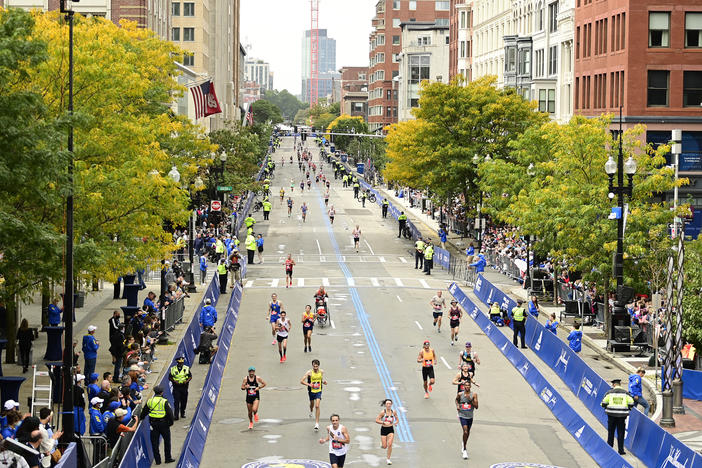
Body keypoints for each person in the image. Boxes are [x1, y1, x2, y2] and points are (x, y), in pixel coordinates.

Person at [140, 385, 175, 465]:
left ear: (155, 392)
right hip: (164, 424)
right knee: (167, 441)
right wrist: (171, 423)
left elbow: (144, 412)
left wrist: (141, 418)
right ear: (162, 392)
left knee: (154, 443)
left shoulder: (150, 401)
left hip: (153, 424)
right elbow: (170, 413)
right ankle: (168, 458)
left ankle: (158, 461)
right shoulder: (164, 401)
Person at [601, 378, 634, 455]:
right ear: (620, 385)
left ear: (614, 385)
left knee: (611, 432)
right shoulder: (626, 393)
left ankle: (609, 448)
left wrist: (607, 408)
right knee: (621, 433)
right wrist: (627, 409)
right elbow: (631, 403)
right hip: (622, 416)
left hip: (611, 415)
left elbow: (603, 403)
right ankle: (621, 450)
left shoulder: (609, 393)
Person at [301, 359, 327, 431]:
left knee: (317, 405)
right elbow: (301, 381)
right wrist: (309, 384)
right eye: (314, 366)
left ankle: (317, 424)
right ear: (312, 366)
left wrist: (323, 382)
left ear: (318, 366)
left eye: (316, 366)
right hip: (311, 391)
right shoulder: (309, 373)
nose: (315, 368)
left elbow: (320, 379)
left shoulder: (321, 371)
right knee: (312, 404)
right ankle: (311, 411)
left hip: (318, 390)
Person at [455, 381, 478, 459]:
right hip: (462, 415)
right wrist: (458, 406)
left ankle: (464, 442)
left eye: (468, 385)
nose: (467, 387)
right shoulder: (460, 394)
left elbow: (476, 406)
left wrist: (470, 400)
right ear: (463, 386)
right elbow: (456, 400)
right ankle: (464, 449)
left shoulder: (474, 395)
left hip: (470, 416)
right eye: (466, 385)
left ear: (470, 386)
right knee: (465, 431)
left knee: (467, 433)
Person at [169, 356, 192, 421]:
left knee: (184, 401)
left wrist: (186, 381)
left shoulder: (186, 368)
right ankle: (176, 415)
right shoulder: (173, 369)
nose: (181, 364)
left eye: (182, 363)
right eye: (180, 363)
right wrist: (174, 381)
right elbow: (170, 377)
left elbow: (190, 376)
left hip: (184, 387)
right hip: (176, 387)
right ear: (177, 363)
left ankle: (182, 413)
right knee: (176, 402)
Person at [375, 399, 397, 465]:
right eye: (387, 404)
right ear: (385, 405)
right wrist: (383, 422)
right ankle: (383, 445)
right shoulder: (383, 412)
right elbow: (377, 420)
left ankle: (388, 459)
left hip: (390, 429)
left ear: (391, 404)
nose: (388, 405)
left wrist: (396, 423)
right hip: (384, 430)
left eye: (390, 404)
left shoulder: (394, 412)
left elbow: (397, 419)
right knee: (385, 446)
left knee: (390, 444)